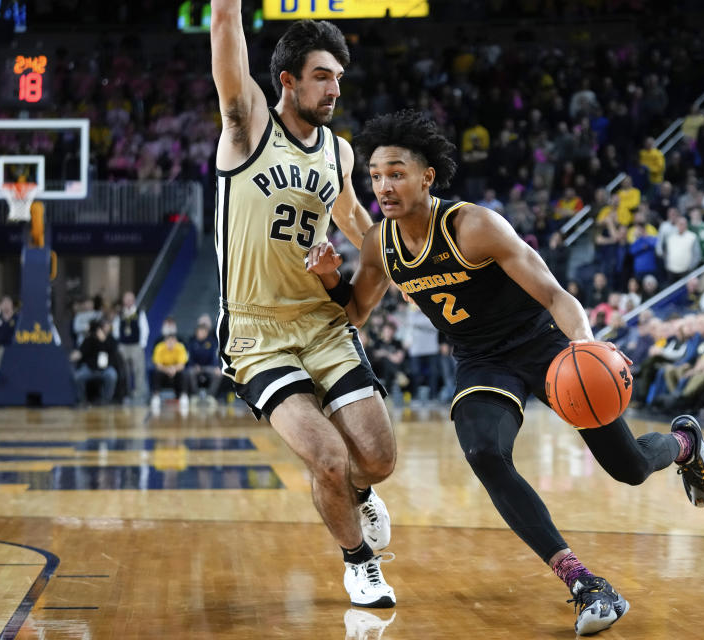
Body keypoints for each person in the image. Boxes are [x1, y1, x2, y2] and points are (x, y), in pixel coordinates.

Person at [306, 110, 704, 635]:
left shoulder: (473, 225)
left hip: (541, 347)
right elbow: (355, 312)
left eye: (396, 173)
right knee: (484, 452)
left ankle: (684, 442)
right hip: (481, 361)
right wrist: (329, 279)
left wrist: (587, 347)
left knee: (631, 467)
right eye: (377, 175)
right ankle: (583, 582)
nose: (384, 186)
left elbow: (553, 293)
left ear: (427, 176)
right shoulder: (379, 245)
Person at [210, 3, 396, 608]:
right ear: (286, 80)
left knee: (378, 460)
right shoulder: (248, 128)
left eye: (340, 77)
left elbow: (363, 231)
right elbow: (224, 27)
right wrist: (228, 9)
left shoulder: (339, 155)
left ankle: (361, 493)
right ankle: (359, 564)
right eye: (322, 75)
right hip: (257, 332)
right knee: (328, 457)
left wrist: (363, 273)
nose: (335, 88)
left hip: (321, 322)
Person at [71, 318, 121, 406]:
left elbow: (113, 352)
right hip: (91, 368)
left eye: (108, 325)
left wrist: (103, 340)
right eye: (104, 326)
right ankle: (82, 400)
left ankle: (106, 400)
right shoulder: (90, 338)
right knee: (78, 376)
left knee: (112, 375)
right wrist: (74, 356)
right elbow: (81, 352)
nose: (106, 327)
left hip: (105, 369)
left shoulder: (111, 339)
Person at [114, 291, 149, 402]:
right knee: (124, 371)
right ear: (124, 301)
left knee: (138, 370)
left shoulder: (139, 313)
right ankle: (126, 393)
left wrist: (142, 344)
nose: (128, 301)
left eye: (131, 299)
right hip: (123, 346)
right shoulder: (120, 314)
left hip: (136, 346)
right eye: (126, 299)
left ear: (134, 301)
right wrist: (118, 342)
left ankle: (139, 394)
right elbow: (115, 329)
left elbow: (145, 329)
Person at [185, 314, 223, 403]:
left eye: (203, 331)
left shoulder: (212, 343)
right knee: (190, 372)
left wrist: (215, 367)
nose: (201, 333)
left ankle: (210, 396)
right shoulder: (192, 342)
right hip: (196, 368)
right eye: (200, 331)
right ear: (196, 332)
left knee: (218, 373)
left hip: (209, 368)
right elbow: (189, 358)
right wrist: (194, 365)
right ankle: (195, 395)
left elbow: (215, 357)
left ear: (206, 332)